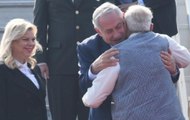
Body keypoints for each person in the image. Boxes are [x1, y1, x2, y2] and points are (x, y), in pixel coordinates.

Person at [77, 2, 190, 120]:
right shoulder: (87, 47)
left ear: (124, 18)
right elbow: (84, 88)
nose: (116, 34)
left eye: (119, 26)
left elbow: (165, 74)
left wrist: (173, 70)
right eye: (109, 31)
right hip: (106, 115)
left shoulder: (145, 37)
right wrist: (94, 69)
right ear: (98, 31)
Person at [33, 0, 116, 120]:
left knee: (90, 115)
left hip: (92, 61)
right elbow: (39, 25)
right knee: (61, 114)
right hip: (59, 63)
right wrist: (40, 58)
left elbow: (108, 12)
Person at [0, 18, 47, 120]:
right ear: (12, 42)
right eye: (25, 39)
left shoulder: (35, 69)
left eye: (33, 39)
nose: (31, 43)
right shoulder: (2, 71)